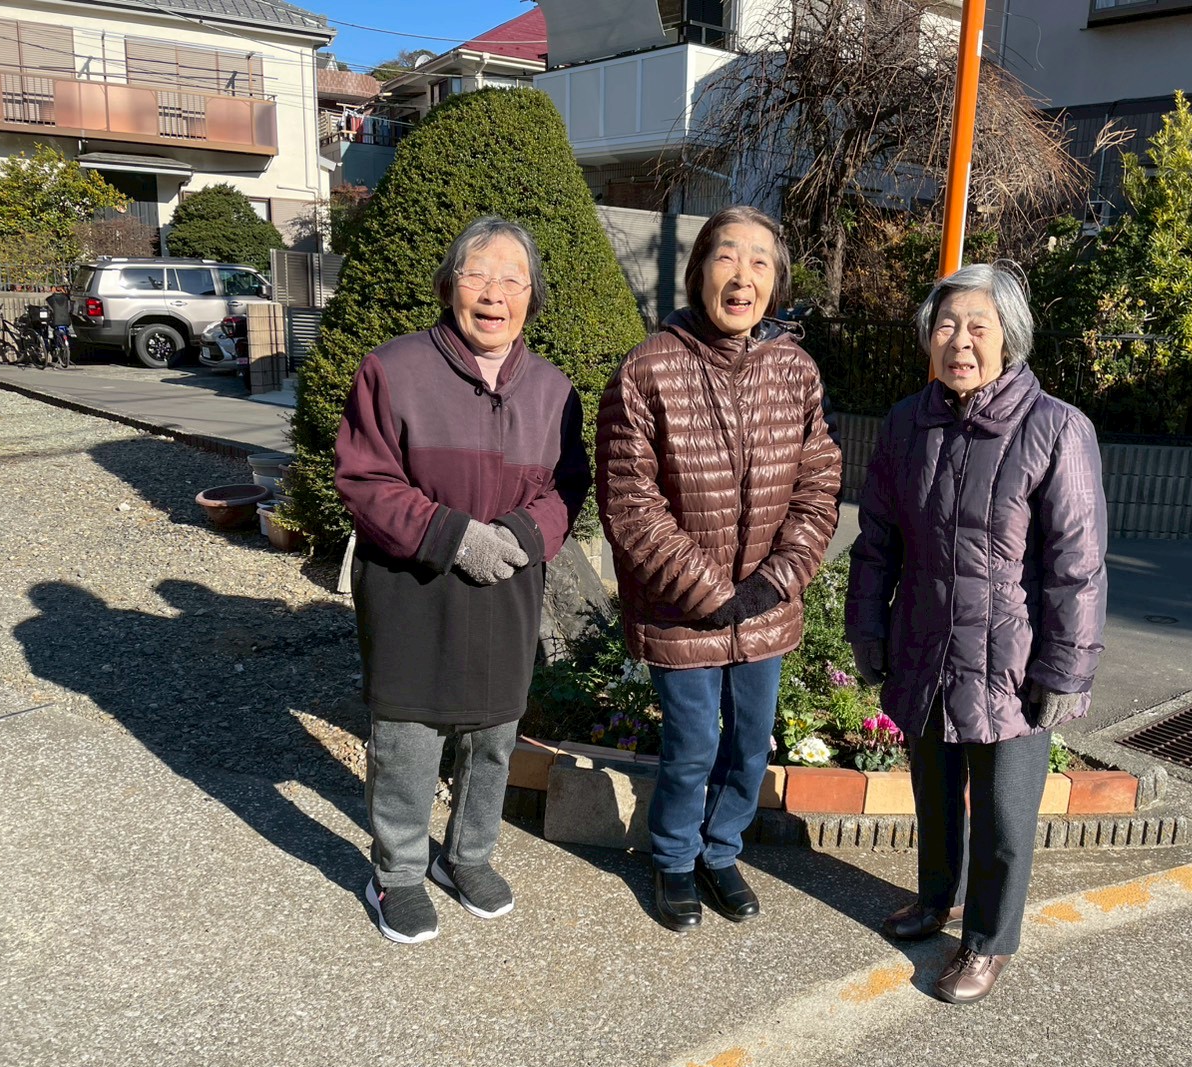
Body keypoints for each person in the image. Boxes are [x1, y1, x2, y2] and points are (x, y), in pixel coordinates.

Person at [845, 262, 1107, 1003]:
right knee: (933, 791)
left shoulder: (1056, 427)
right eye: (945, 326)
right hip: (925, 646)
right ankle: (936, 900)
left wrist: (1066, 671)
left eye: (976, 327)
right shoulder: (906, 423)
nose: (958, 341)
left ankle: (988, 943)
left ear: (1008, 338)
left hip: (1012, 662)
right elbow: (877, 544)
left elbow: (1077, 566)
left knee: (1001, 816)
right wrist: (868, 631)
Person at [334, 215, 589, 943]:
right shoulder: (394, 368)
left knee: (493, 733)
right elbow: (364, 477)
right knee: (407, 739)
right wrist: (452, 536)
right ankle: (398, 873)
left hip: (508, 583)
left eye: (513, 278)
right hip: (412, 582)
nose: (494, 292)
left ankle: (467, 857)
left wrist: (516, 536)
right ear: (449, 285)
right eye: (478, 274)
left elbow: (570, 485)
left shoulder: (551, 389)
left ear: (532, 298)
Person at [597, 205, 842, 933]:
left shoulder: (794, 369)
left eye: (760, 262)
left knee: (748, 742)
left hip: (767, 605)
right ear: (699, 269)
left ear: (776, 282)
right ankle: (672, 860)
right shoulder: (649, 368)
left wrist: (775, 581)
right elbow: (628, 499)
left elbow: (818, 481)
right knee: (691, 746)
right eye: (726, 258)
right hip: (683, 610)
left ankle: (720, 850)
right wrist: (709, 592)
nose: (742, 276)